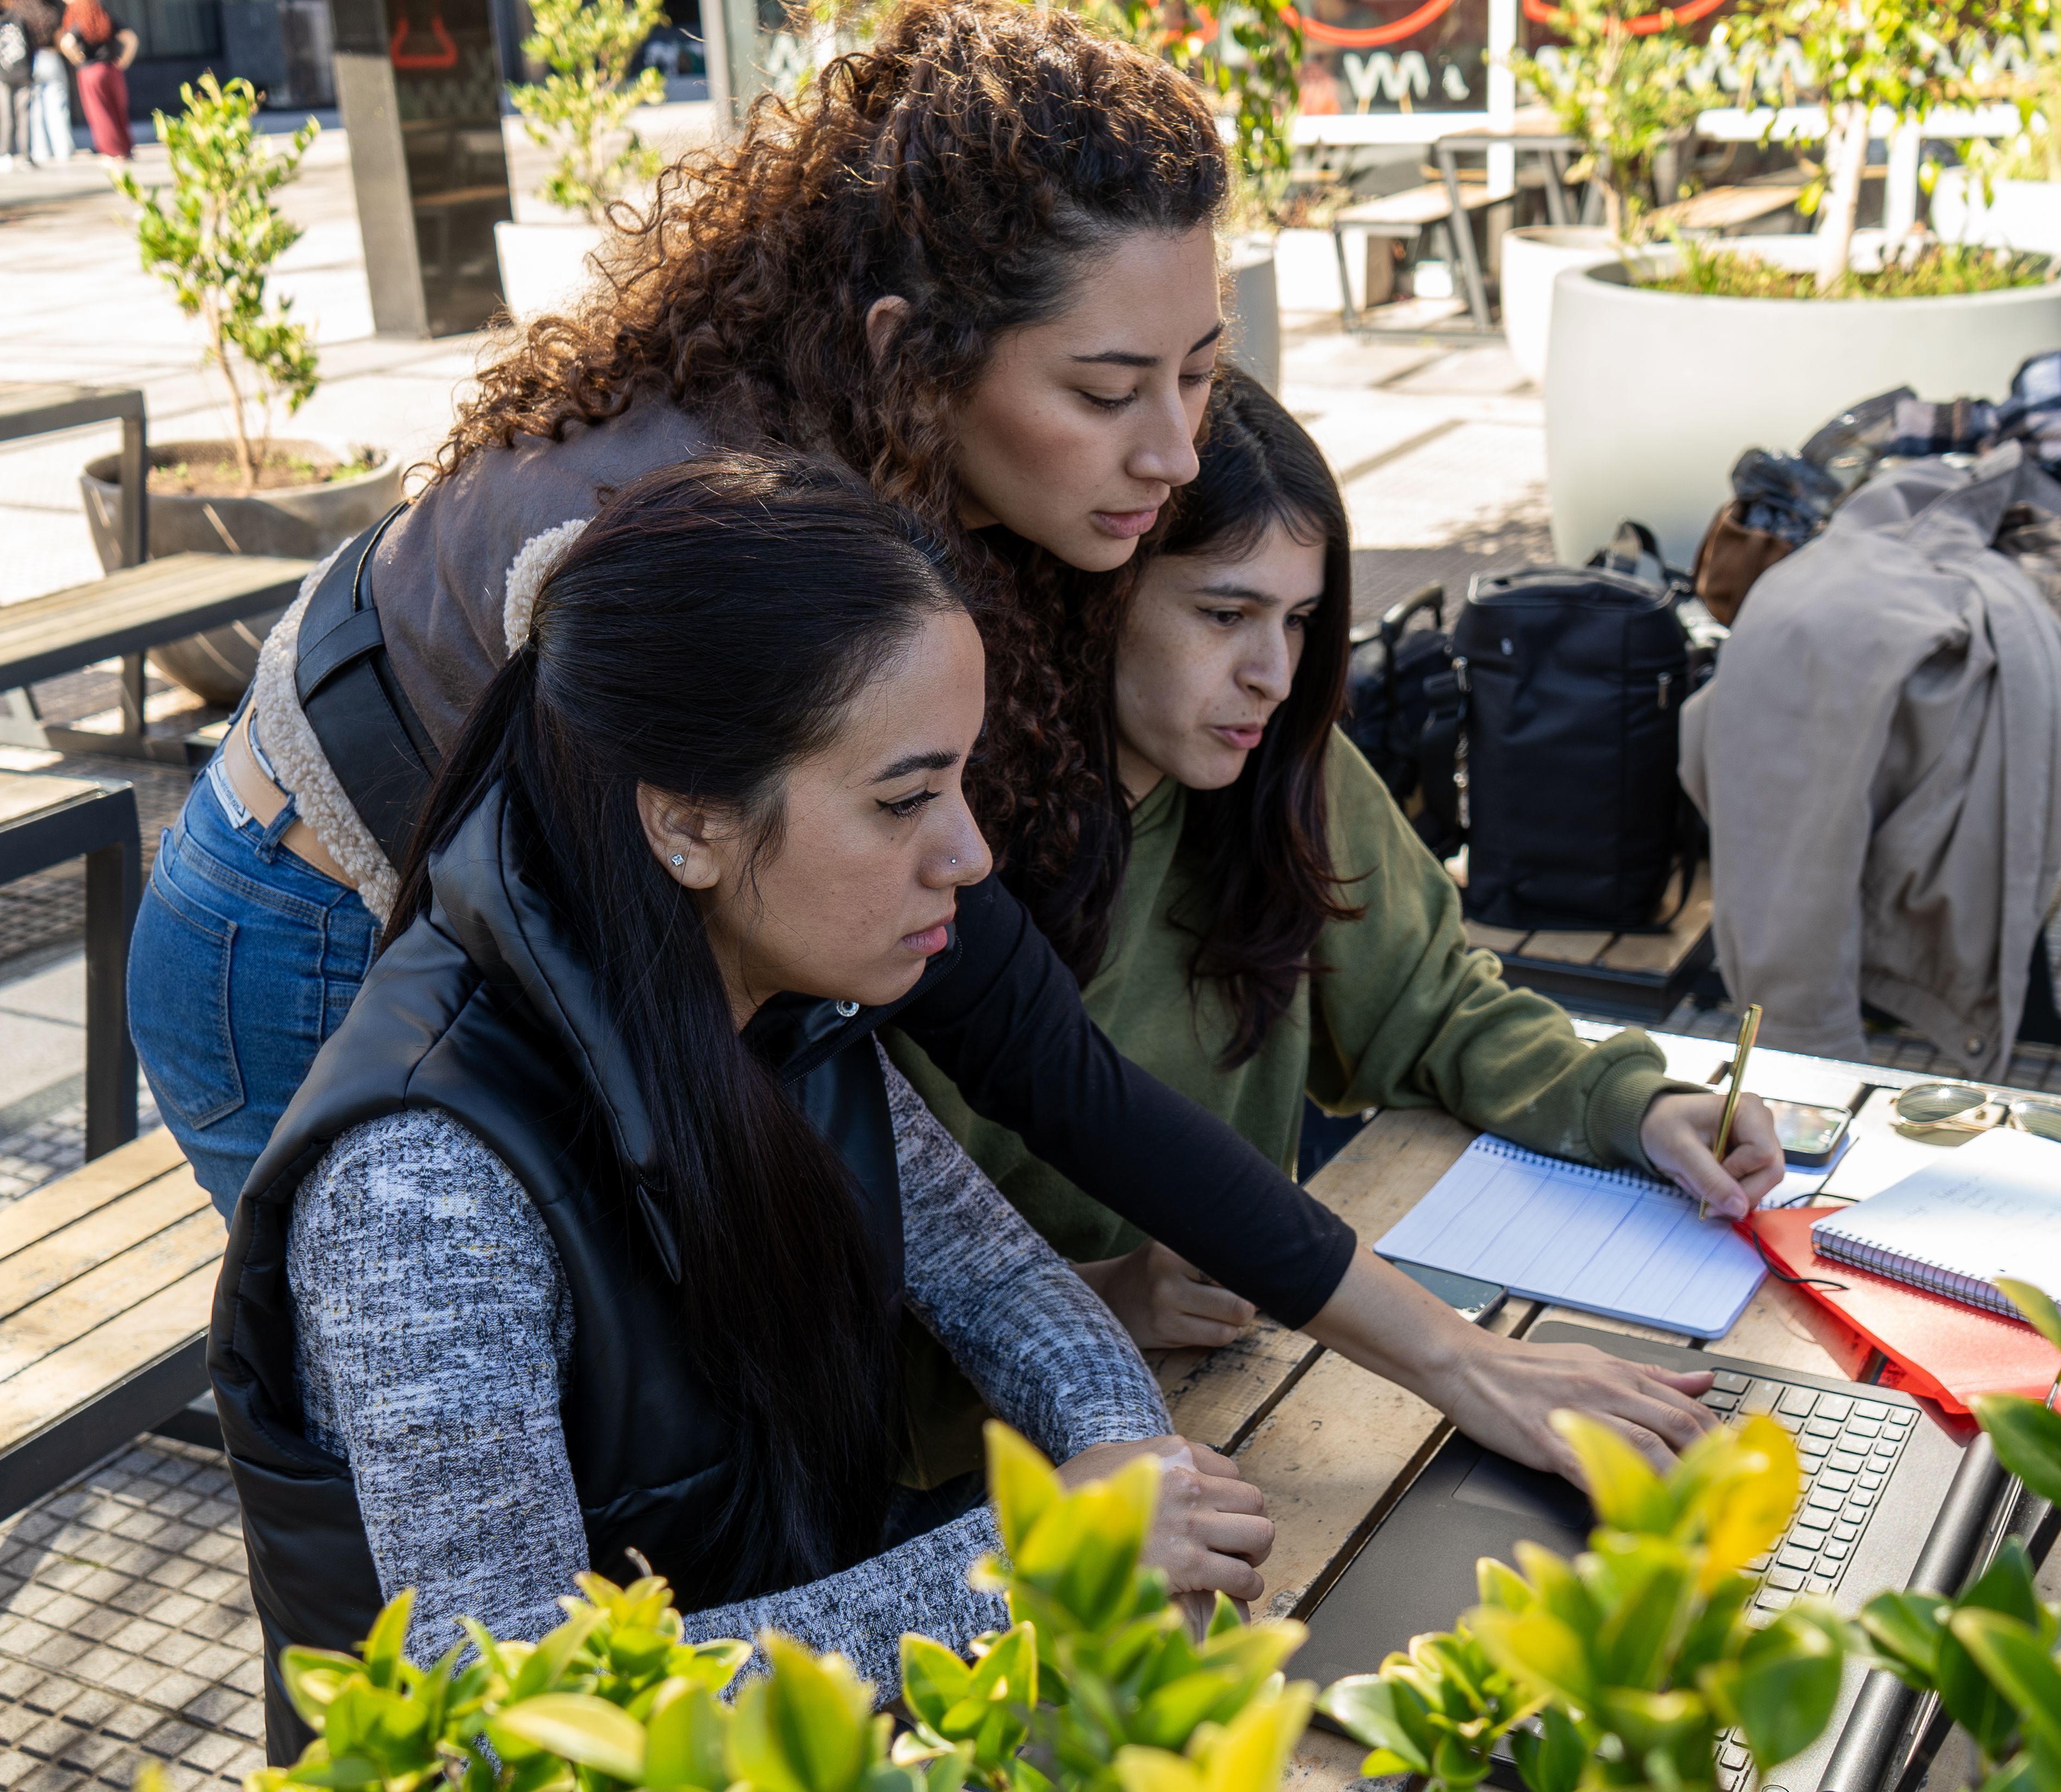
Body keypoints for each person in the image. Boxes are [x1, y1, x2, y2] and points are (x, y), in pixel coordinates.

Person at [142, 0, 1722, 1488]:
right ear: (914, 355)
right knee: (497, 1460)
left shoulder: (914, 470)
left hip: (564, 889)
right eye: (1106, 392)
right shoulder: (691, 538)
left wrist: (1434, 1352)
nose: (1176, 455)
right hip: (310, 908)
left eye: (1198, 375)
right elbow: (1017, 1039)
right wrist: (1454, 1363)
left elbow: (1011, 1052)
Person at [213, 456, 1273, 1749]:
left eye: (961, 779)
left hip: (800, 1767)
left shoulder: (775, 997)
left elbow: (1005, 1283)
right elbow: (516, 1715)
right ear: (690, 824)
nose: (970, 852)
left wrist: (1136, 1473)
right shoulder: (425, 1192)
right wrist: (1043, 1563)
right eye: (904, 799)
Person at [899, 373, 1782, 1432]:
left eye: (1302, 621)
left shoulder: (1280, 773)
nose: (1273, 673)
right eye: (1225, 613)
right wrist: (1106, 1296)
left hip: (1243, 1395)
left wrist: (1632, 1104)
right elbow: (857, 1299)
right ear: (1090, 602)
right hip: (996, 1467)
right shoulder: (933, 857)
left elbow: (1432, 1006)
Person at [55, 0, 132, 161]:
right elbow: (131, 39)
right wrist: (124, 61)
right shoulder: (105, 18)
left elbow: (67, 43)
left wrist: (77, 59)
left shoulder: (79, 21)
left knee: (100, 113)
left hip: (91, 71)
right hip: (112, 69)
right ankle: (125, 150)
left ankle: (112, 151)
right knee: (118, 110)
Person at [0, 0, 34, 168]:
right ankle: (25, 154)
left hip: (1, 74)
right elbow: (28, 43)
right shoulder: (17, 17)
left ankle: (6, 152)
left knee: (5, 115)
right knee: (23, 115)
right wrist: (28, 67)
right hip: (22, 71)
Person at [21, 0, 74, 163]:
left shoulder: (18, 12)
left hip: (30, 61)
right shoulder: (50, 11)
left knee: (35, 109)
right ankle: (63, 150)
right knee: (58, 106)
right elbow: (59, 37)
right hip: (50, 56)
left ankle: (40, 151)